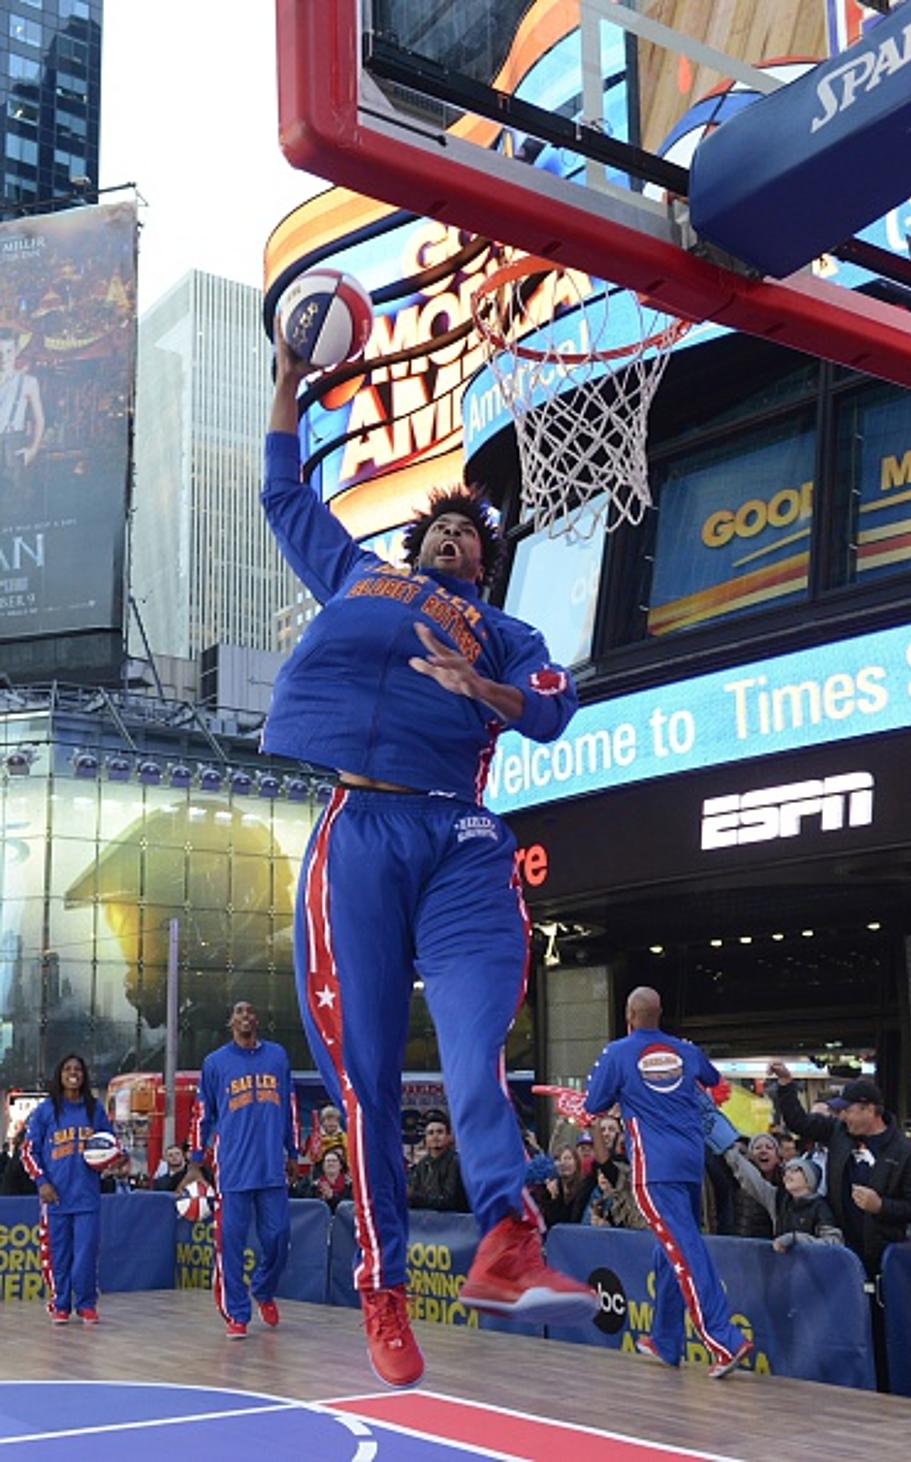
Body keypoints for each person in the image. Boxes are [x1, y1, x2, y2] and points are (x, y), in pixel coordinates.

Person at [261, 325, 596, 1387]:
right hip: (355, 833)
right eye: (440, 530)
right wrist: (285, 383)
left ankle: (506, 1234)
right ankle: (383, 1287)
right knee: (362, 1079)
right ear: (414, 549)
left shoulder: (503, 636)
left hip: (456, 839)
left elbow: (553, 711)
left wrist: (485, 690)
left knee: (469, 1050)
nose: (453, 539)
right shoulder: (356, 577)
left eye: (468, 537)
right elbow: (284, 500)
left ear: (485, 567)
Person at [585, 987, 752, 1378]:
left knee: (685, 1250)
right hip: (691, 1164)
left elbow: (593, 1104)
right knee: (671, 1247)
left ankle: (724, 1338)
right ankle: (665, 1338)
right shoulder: (686, 1050)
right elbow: (711, 1079)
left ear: (629, 1014)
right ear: (659, 1014)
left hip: (653, 1169)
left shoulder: (617, 1053)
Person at [769, 1065, 911, 1390]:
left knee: (879, 1332)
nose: (843, 1118)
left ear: (870, 1110)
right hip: (838, 1257)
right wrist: (786, 1085)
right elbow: (799, 1121)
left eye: (849, 1111)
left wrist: (881, 1206)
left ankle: (884, 1390)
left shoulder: (906, 1152)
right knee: (839, 1329)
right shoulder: (839, 1134)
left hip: (880, 1261)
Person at [184, 1001, 300, 1339]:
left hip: (271, 1167)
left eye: (251, 1011)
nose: (245, 1015)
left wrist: (293, 1151)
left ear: (257, 1019)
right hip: (232, 1168)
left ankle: (263, 1289)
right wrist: (195, 1161)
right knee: (230, 1244)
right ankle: (236, 1313)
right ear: (230, 1021)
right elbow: (202, 1113)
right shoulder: (215, 1063)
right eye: (238, 1011)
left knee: (279, 1236)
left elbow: (290, 1106)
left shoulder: (277, 1057)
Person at [21, 1054, 118, 1324]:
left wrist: (110, 1160)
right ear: (59, 1074)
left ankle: (86, 1303)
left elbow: (110, 1143)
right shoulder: (46, 1110)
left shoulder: (94, 1109)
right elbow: (29, 1150)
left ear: (84, 1075)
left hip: (87, 1196)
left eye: (78, 1069)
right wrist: (42, 1182)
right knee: (58, 1255)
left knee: (86, 1255)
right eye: (67, 1069)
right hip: (55, 1197)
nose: (73, 1073)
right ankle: (60, 1303)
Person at [725, 1149, 843, 1250]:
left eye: (795, 1170)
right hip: (783, 1269)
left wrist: (796, 1239)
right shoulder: (779, 1199)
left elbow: (834, 1243)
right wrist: (730, 1152)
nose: (787, 1174)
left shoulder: (820, 1207)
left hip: (811, 1273)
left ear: (809, 1178)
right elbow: (752, 1180)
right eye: (787, 1170)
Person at [0, 327, 44, 499]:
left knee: (13, 501)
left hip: (12, 447)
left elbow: (39, 420)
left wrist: (33, 449)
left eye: (9, 351)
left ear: (16, 351)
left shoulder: (28, 383)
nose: (3, 357)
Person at [406, 1111, 469, 1213]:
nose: (435, 1137)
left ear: (449, 1137)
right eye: (430, 1133)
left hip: (456, 1223)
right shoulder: (422, 1164)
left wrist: (413, 1196)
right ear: (425, 1139)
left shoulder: (456, 1162)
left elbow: (448, 1201)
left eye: (440, 1132)